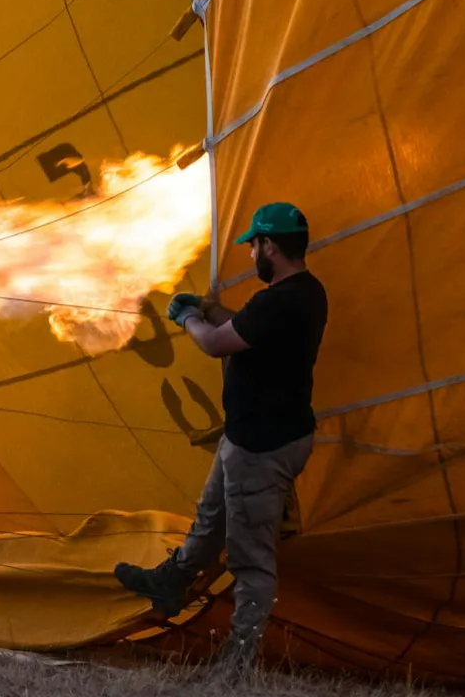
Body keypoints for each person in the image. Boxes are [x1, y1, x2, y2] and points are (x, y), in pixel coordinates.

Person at [114, 201, 328, 671]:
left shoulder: (279, 301)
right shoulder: (307, 293)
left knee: (250, 558)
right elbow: (247, 327)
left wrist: (187, 318)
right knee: (210, 519)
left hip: (262, 446)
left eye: (254, 245)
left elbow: (215, 344)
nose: (252, 254)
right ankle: (171, 582)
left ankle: (238, 659)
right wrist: (211, 309)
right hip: (255, 435)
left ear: (270, 245)